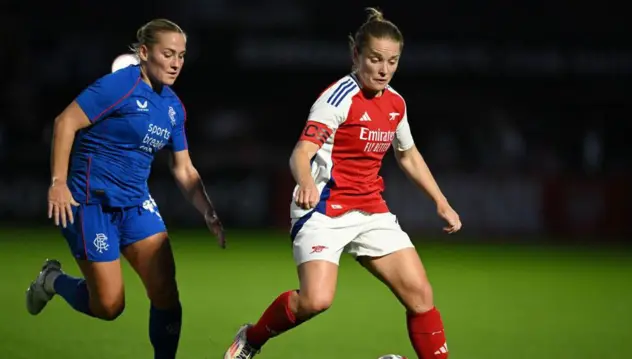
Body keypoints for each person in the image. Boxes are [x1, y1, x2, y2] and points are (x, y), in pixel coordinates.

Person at [223, 7, 460, 359]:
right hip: (323, 209)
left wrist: (441, 201)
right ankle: (252, 338)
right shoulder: (336, 99)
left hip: (370, 210)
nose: (383, 69)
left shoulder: (396, 103)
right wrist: (305, 182)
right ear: (356, 55)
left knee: (421, 296)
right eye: (375, 59)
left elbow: (407, 155)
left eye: (392, 61)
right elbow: (301, 152)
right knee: (316, 300)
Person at [25, 18, 225, 359]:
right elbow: (65, 122)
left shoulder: (173, 107)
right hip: (90, 203)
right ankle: (52, 280)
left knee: (165, 291)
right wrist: (58, 182)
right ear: (145, 53)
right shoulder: (119, 86)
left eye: (181, 55)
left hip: (135, 204)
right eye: (168, 53)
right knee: (108, 305)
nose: (176, 62)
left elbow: (183, 167)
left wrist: (207, 210)